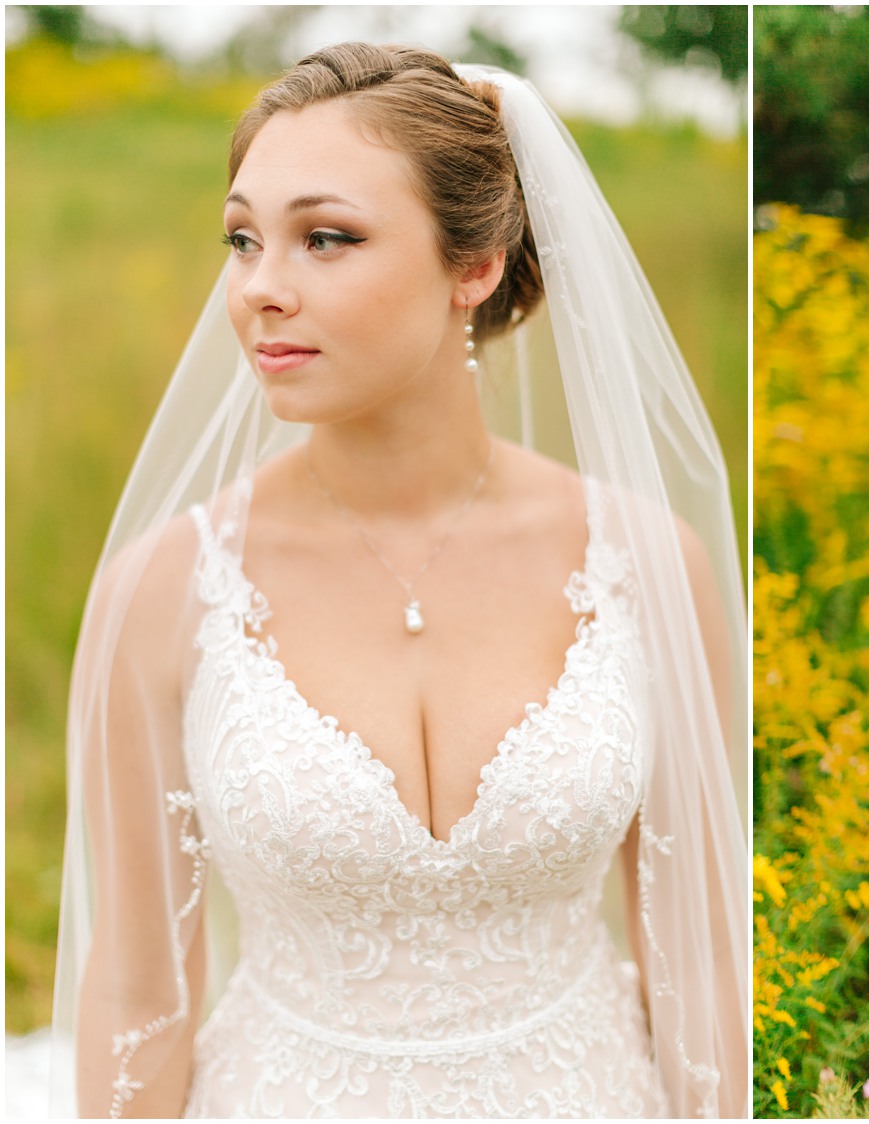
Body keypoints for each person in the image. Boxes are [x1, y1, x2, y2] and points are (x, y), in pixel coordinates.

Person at [51, 43, 747, 1119]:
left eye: (326, 238)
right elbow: (141, 986)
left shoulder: (651, 566)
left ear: (475, 265)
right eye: (244, 239)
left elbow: (697, 961)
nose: (260, 290)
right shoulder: (165, 587)